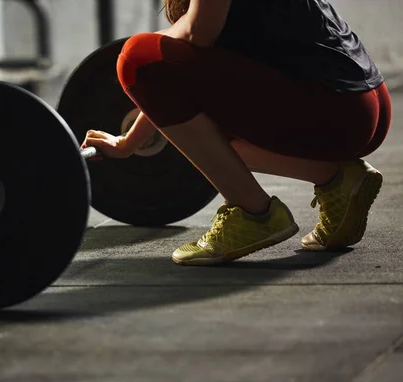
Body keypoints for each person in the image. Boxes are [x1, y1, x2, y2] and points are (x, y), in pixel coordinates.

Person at [80, 0, 391, 266]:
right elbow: (174, 81)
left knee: (135, 55)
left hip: (336, 111)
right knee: (196, 135)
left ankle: (254, 213)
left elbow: (193, 35)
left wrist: (154, 47)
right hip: (364, 104)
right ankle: (335, 177)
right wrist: (128, 143)